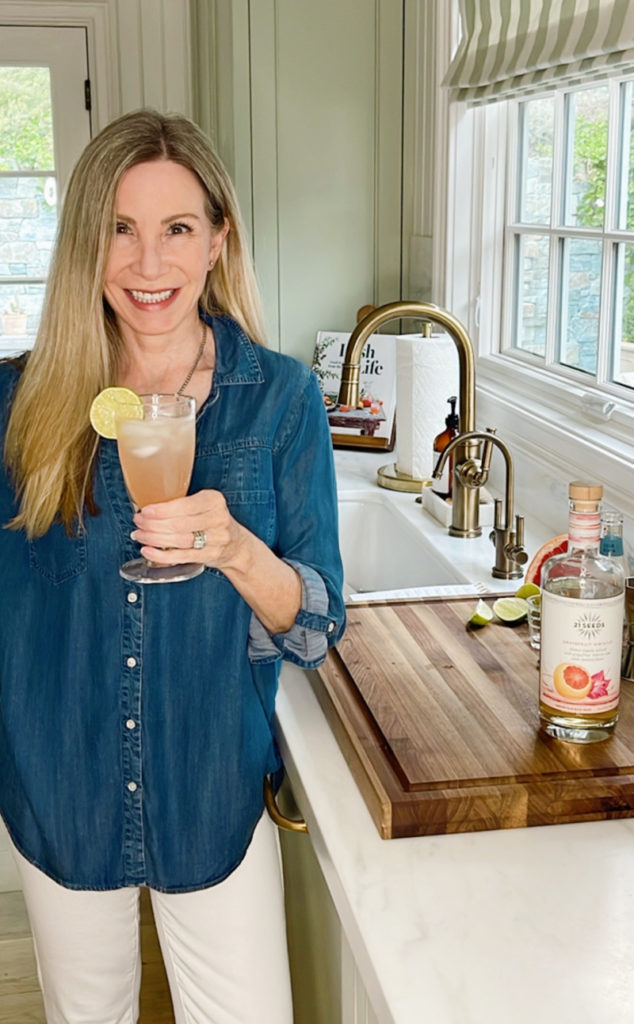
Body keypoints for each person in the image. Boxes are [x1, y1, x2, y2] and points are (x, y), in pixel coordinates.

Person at [0, 109, 345, 1024]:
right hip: (59, 785)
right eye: (120, 229)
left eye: (178, 229)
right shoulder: (16, 403)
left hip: (213, 789)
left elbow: (313, 624)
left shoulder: (279, 398)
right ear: (87, 242)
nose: (149, 265)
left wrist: (233, 547)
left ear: (219, 240)